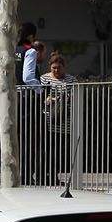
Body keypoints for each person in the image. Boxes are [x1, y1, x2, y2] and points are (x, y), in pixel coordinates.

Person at [36, 52, 77, 185]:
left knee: (59, 152)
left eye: (59, 67)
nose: (56, 70)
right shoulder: (44, 79)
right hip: (48, 121)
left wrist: (66, 99)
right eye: (54, 67)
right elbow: (40, 98)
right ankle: (44, 176)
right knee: (47, 151)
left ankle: (55, 176)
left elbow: (75, 97)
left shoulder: (71, 80)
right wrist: (51, 99)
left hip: (65, 122)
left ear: (64, 67)